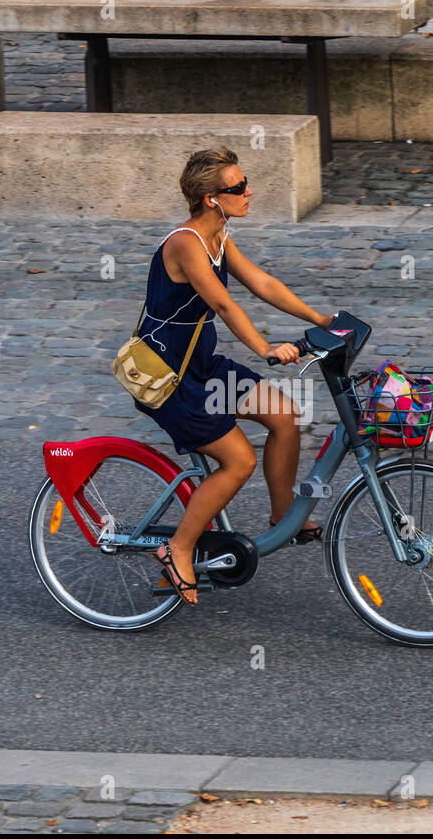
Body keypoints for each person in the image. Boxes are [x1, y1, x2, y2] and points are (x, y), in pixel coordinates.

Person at [133, 146, 335, 604]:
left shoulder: (219, 235)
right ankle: (177, 549)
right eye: (238, 187)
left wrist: (320, 319)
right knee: (239, 460)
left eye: (245, 184)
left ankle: (282, 512)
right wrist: (265, 348)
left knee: (284, 415)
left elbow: (260, 282)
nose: (249, 192)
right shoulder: (185, 243)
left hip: (202, 366)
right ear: (211, 198)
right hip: (170, 379)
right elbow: (225, 305)